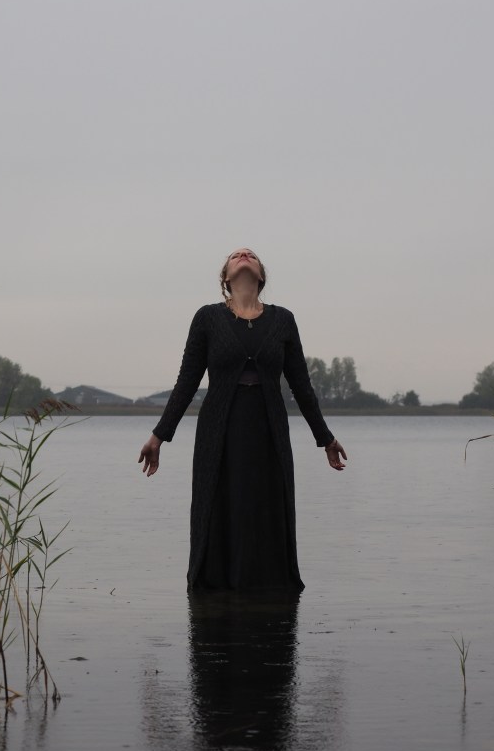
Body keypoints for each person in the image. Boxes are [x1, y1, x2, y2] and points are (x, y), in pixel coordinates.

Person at [138, 248, 347, 592]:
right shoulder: (207, 318)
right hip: (219, 429)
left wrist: (325, 438)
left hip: (268, 429)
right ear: (225, 277)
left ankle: (269, 590)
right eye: (236, 255)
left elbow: (301, 385)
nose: (244, 254)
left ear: (261, 275)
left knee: (266, 505)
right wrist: (159, 435)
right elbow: (187, 382)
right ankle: (215, 591)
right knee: (219, 503)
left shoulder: (283, 320)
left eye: (250, 254)